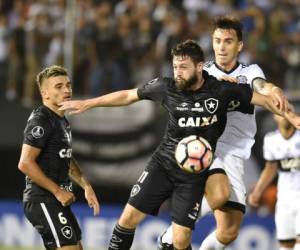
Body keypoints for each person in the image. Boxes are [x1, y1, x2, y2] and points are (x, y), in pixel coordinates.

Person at [59, 39, 299, 250]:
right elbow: (128, 95)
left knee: (181, 239)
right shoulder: (166, 87)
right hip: (163, 164)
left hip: (193, 175)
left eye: (183, 67)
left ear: (199, 66)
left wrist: (293, 117)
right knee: (127, 219)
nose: (178, 72)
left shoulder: (222, 90)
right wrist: (89, 103)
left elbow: (265, 101)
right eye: (175, 67)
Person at [157, 16, 292, 250]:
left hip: (237, 153)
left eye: (228, 41)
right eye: (217, 40)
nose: (221, 46)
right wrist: (216, 84)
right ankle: (170, 237)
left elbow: (262, 86)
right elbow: (181, 92)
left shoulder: (250, 72)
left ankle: (173, 236)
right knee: (219, 196)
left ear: (239, 45)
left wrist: (275, 89)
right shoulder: (203, 71)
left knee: (229, 231)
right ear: (212, 42)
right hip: (206, 147)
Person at [18, 65, 100, 250]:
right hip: (42, 199)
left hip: (55, 200)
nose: (67, 90)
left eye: (68, 85)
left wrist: (86, 186)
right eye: (59, 86)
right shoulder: (41, 120)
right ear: (45, 93)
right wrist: (57, 191)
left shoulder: (61, 121)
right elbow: (25, 163)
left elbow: (66, 158)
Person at [248, 114, 300, 250]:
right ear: (274, 117)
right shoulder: (271, 140)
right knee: (285, 244)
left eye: (289, 112)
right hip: (284, 199)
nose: (285, 116)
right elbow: (270, 168)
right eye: (280, 113)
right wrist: (258, 191)